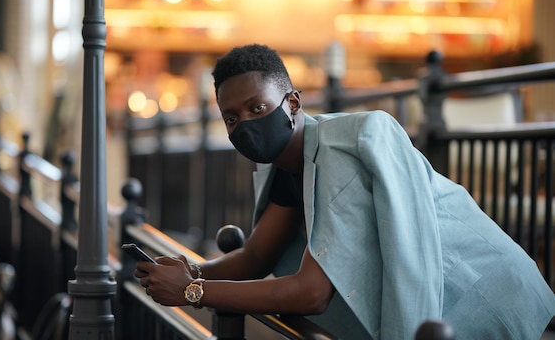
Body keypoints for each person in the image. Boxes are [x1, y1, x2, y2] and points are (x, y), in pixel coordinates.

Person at [134, 44, 555, 339]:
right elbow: (256, 255)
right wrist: (189, 270)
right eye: (231, 118)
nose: (244, 124)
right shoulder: (285, 164)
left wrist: (194, 292)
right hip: (452, 305)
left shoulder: (341, 149)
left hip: (485, 289)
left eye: (257, 108)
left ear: (293, 103)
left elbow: (312, 293)